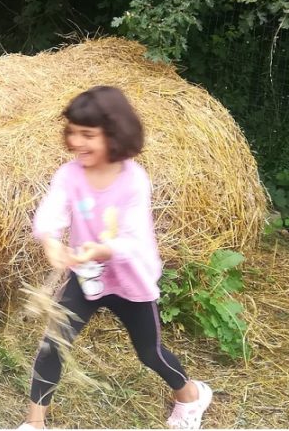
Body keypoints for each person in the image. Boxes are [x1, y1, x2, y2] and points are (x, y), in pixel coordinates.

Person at [18, 86, 212, 430]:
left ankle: (191, 395)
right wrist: (50, 242)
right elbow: (51, 211)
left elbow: (133, 237)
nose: (76, 142)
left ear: (115, 134)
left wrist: (101, 249)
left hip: (129, 279)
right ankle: (34, 423)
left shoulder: (134, 181)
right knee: (53, 345)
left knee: (149, 353)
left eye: (87, 135)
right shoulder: (70, 175)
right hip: (86, 276)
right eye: (73, 133)